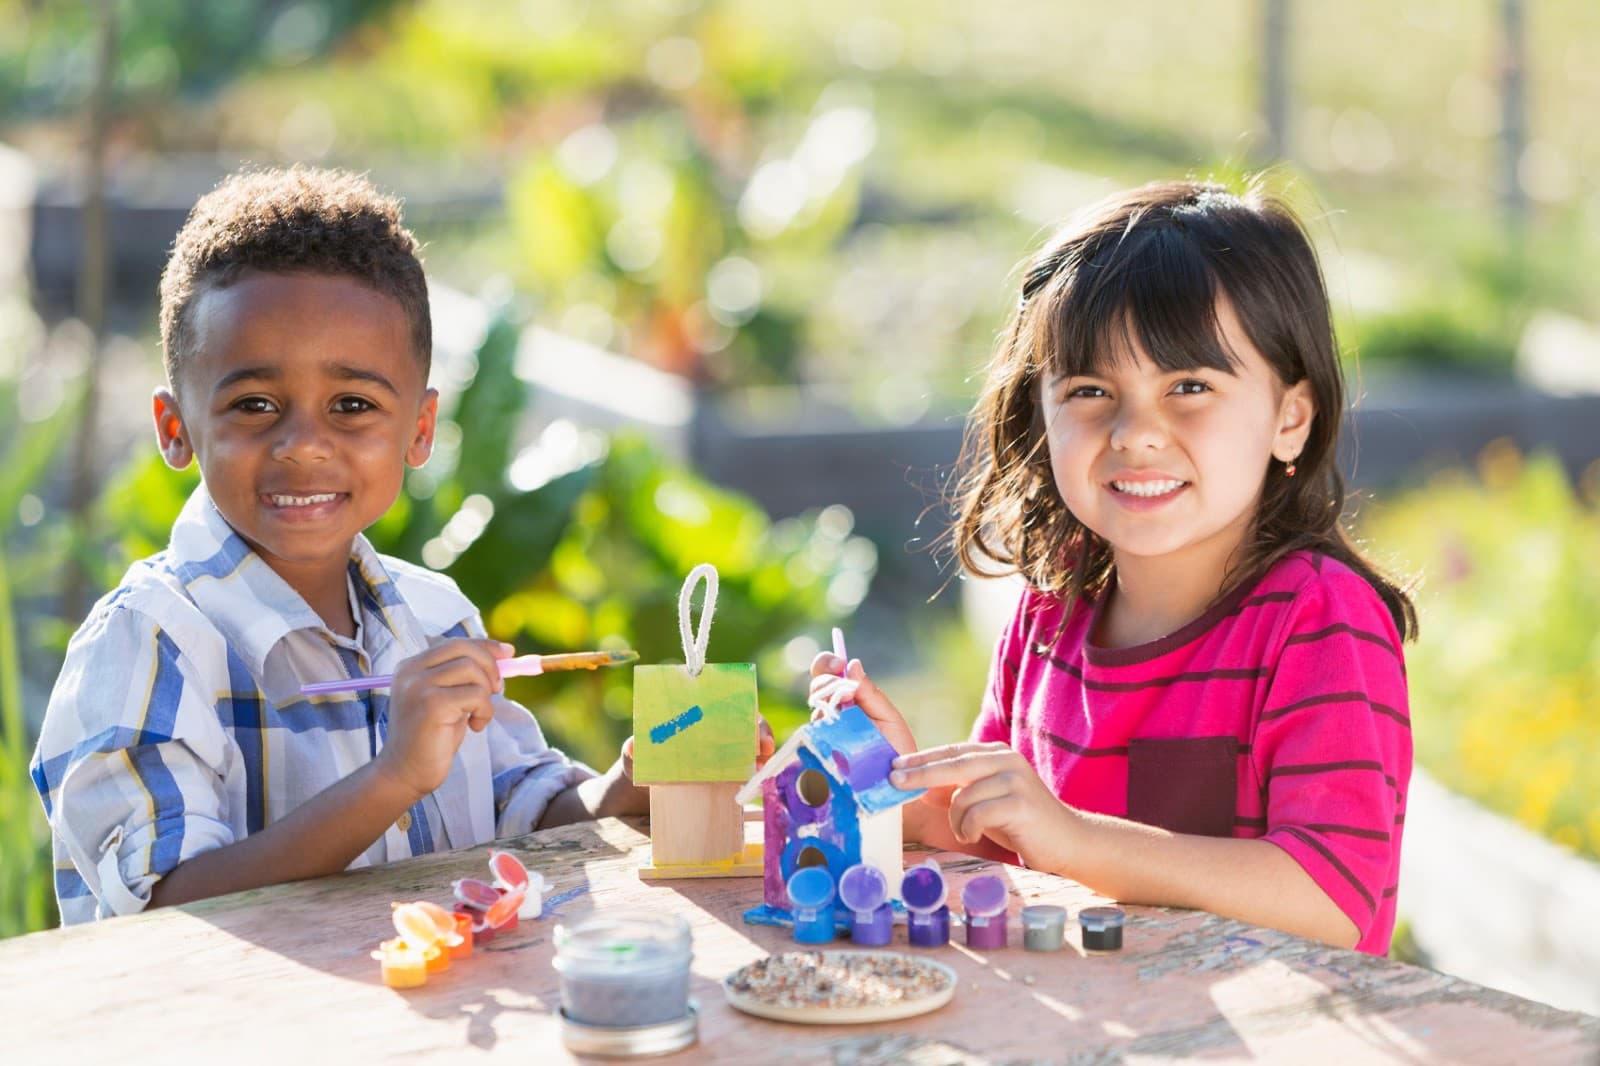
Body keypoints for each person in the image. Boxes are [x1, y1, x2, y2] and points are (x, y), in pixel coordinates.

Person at [32, 167, 709, 924]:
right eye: (254, 405)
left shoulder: (435, 615)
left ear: (419, 431)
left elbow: (525, 809)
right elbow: (163, 910)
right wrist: (393, 778)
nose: (304, 446)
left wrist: (627, 783)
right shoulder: (149, 643)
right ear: (175, 429)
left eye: (353, 405)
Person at [814, 179, 1416, 954]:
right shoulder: (1047, 618)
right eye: (1092, 390)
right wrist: (905, 784)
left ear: (1290, 419)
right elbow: (1009, 848)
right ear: (1041, 412)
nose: (1136, 433)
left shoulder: (1320, 620)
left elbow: (1330, 898)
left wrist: (1077, 838)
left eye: (1189, 386)